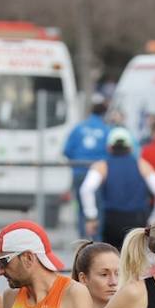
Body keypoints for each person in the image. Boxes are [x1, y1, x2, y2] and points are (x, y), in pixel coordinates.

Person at [79, 127, 155, 250]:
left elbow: (86, 189)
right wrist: (154, 221)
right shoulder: (142, 165)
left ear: (109, 147)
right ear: (131, 148)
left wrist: (91, 216)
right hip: (137, 220)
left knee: (112, 260)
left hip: (111, 220)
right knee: (135, 261)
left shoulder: (102, 166)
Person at [63, 96, 111, 237]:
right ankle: (97, 241)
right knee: (97, 208)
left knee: (82, 208)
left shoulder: (78, 128)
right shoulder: (106, 130)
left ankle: (83, 241)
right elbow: (110, 152)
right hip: (98, 174)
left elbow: (67, 150)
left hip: (78, 171)